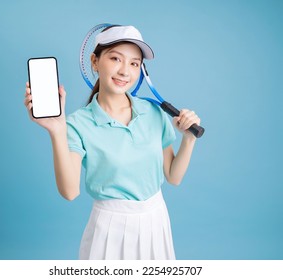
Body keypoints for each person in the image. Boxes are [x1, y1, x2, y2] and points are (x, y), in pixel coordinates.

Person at [24, 25, 201, 260]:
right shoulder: (78, 124)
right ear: (95, 62)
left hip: (156, 220)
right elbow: (70, 192)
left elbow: (173, 176)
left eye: (134, 63)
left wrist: (188, 138)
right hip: (110, 228)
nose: (124, 71)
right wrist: (57, 130)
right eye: (116, 58)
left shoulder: (153, 112)